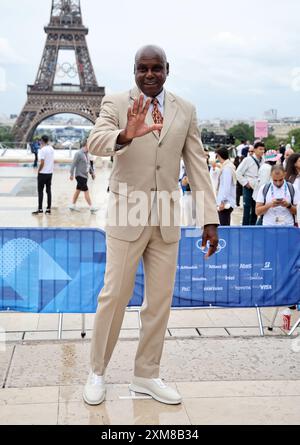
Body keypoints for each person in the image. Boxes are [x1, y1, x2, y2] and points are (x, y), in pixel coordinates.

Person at [84, 45, 219, 406]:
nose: (149, 74)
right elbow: (95, 142)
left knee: (159, 302)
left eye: (155, 68)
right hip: (127, 214)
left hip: (167, 218)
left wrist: (209, 218)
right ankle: (97, 371)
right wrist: (126, 134)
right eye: (142, 68)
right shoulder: (115, 103)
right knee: (114, 297)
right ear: (134, 70)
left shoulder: (185, 109)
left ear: (167, 69)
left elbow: (197, 164)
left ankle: (146, 375)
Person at [236, 141, 265, 225]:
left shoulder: (264, 160)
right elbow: (238, 172)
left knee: (255, 210)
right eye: (260, 149)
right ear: (255, 150)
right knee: (247, 210)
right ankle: (245, 229)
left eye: (263, 149)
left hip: (258, 188)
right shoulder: (247, 160)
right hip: (248, 188)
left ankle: (253, 228)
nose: (262, 151)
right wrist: (245, 183)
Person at [69, 140, 98, 213]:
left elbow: (89, 165)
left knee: (78, 190)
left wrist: (92, 173)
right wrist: (71, 174)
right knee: (86, 190)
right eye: (89, 145)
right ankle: (91, 207)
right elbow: (73, 164)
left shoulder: (87, 154)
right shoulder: (78, 153)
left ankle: (72, 205)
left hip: (85, 176)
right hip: (79, 175)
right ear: (85, 145)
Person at [32, 135, 54, 215]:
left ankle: (40, 209)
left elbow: (42, 162)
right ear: (47, 140)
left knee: (40, 191)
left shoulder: (41, 150)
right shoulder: (51, 149)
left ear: (41, 141)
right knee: (49, 191)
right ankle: (48, 209)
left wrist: (39, 170)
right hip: (50, 173)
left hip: (42, 173)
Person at [215, 147, 236, 226]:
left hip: (225, 203)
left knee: (224, 226)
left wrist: (223, 202)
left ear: (219, 156)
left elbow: (226, 187)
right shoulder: (227, 166)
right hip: (226, 202)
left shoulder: (227, 168)